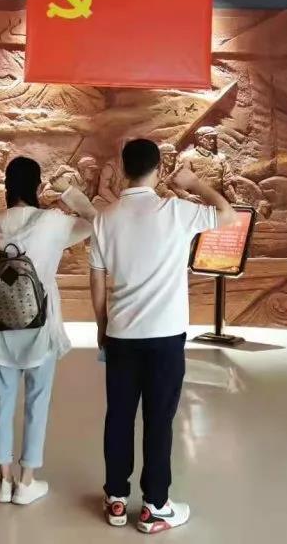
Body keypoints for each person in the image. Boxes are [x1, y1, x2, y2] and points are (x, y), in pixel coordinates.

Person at [89, 138, 236, 534]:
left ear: (123, 169)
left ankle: (116, 499)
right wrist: (194, 183)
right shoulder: (176, 211)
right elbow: (227, 214)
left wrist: (102, 328)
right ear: (157, 169)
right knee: (159, 419)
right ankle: (155, 505)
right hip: (165, 335)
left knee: (119, 416)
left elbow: (97, 282)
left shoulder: (105, 217)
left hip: (121, 334)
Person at [0, 157, 96, 507]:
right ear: (38, 186)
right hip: (41, 326)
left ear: (6, 187)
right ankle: (27, 481)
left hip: (0, 325)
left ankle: (4, 480)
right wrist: (68, 193)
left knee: (3, 402)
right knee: (37, 402)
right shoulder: (53, 223)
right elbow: (95, 222)